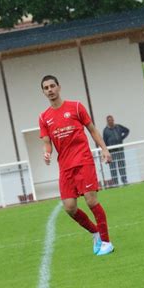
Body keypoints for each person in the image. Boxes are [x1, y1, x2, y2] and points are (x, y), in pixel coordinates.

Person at [39, 75, 114, 256]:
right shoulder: (44, 117)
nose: (50, 90)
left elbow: (93, 130)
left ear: (59, 87)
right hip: (65, 167)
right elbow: (47, 141)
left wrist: (104, 149)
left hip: (83, 161)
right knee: (69, 208)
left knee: (91, 201)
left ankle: (106, 242)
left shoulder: (76, 107)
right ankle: (95, 232)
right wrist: (47, 152)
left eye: (52, 86)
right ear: (43, 92)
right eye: (46, 88)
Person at [102, 115, 130, 186]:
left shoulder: (118, 127)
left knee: (122, 165)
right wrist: (105, 151)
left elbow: (127, 131)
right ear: (107, 121)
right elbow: (104, 142)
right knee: (113, 167)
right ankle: (115, 182)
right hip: (111, 152)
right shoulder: (105, 130)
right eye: (109, 120)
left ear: (113, 120)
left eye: (111, 120)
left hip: (120, 150)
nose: (110, 121)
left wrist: (121, 138)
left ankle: (124, 180)